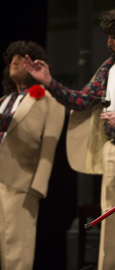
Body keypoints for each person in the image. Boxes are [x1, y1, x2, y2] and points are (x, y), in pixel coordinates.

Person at [23, 7, 115, 270]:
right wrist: (49, 81)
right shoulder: (109, 67)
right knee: (111, 221)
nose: (109, 42)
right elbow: (82, 100)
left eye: (114, 36)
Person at [0, 40, 65, 270]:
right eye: (13, 58)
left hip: (21, 180)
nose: (16, 61)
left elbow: (50, 144)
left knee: (17, 246)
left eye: (22, 58)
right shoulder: (4, 100)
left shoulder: (48, 100)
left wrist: (38, 185)